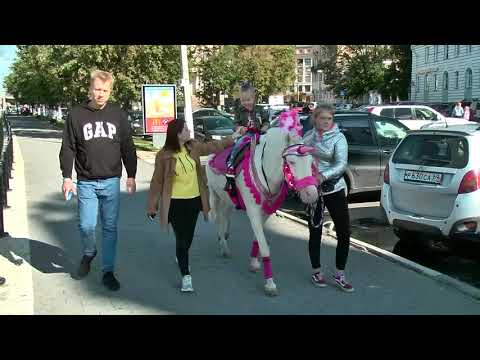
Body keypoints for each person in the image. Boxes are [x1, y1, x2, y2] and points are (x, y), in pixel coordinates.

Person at [59, 70, 137, 291]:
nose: (100, 94)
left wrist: (131, 175)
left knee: (110, 227)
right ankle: (89, 252)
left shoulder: (118, 115)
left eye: (105, 90)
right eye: (97, 89)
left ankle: (108, 271)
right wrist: (67, 177)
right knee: (86, 225)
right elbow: (68, 147)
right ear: (90, 89)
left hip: (112, 180)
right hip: (86, 181)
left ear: (110, 91)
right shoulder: (76, 115)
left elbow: (127, 147)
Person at [146, 118, 242, 292]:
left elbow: (212, 147)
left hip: (194, 201)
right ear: (177, 134)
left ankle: (181, 256)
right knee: (181, 239)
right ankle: (186, 276)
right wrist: (152, 205)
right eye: (185, 129)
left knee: (188, 238)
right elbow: (156, 182)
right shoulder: (164, 155)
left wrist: (232, 138)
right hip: (174, 203)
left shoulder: (193, 147)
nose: (189, 131)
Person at [303, 103, 354, 292]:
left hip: (334, 189)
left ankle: (339, 273)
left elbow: (341, 164)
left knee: (344, 232)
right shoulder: (308, 137)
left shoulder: (338, 138)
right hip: (313, 191)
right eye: (322, 118)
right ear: (315, 119)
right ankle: (316, 271)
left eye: (329, 118)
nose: (325, 121)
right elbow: (298, 158)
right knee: (314, 232)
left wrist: (323, 175)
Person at [224, 82, 269, 194]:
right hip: (246, 135)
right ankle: (231, 167)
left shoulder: (260, 110)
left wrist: (265, 127)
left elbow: (266, 121)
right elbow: (235, 124)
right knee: (237, 146)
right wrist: (239, 128)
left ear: (254, 98)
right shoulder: (239, 111)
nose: (246, 103)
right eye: (243, 100)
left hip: (260, 134)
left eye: (248, 100)